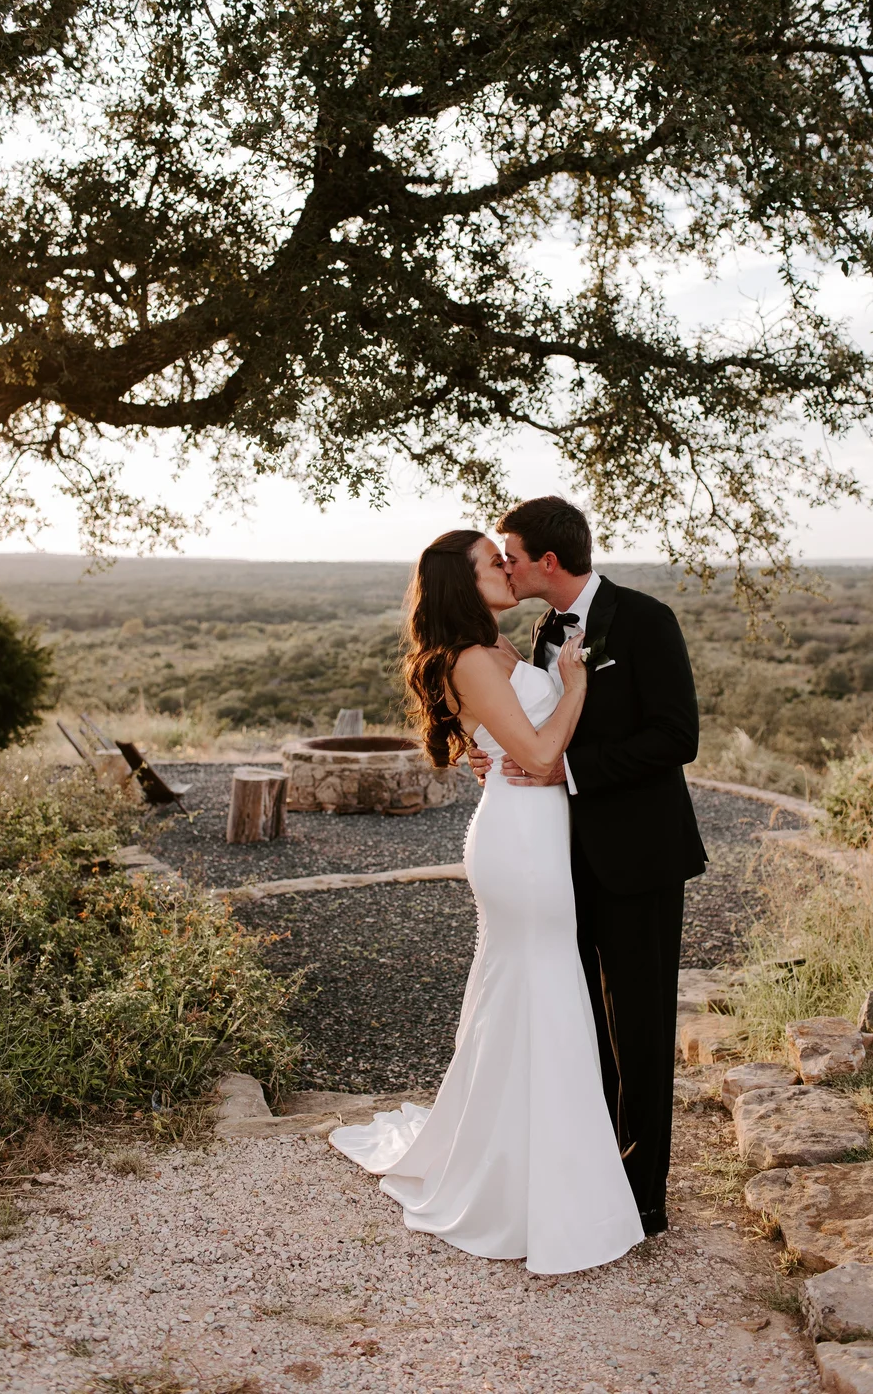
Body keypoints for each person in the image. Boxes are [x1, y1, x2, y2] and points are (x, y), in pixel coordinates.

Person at [330, 529, 643, 1274]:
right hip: (519, 844)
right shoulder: (471, 659)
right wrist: (573, 688)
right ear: (459, 585)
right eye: (490, 562)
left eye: (506, 558)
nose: (506, 567)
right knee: (537, 985)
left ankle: (529, 1162)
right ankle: (526, 1186)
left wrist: (506, 735)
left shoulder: (506, 649)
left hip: (536, 832)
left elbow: (513, 743)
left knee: (532, 991)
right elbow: (537, 755)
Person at [467, 497, 707, 1236]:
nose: (504, 565)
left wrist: (569, 770)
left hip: (639, 857)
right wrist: (502, 752)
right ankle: (592, 1171)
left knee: (639, 1025)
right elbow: (538, 723)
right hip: (558, 860)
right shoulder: (542, 632)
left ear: (547, 560)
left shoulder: (644, 619)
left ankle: (645, 1193)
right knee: (579, 1022)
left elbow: (677, 736)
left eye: (510, 553)